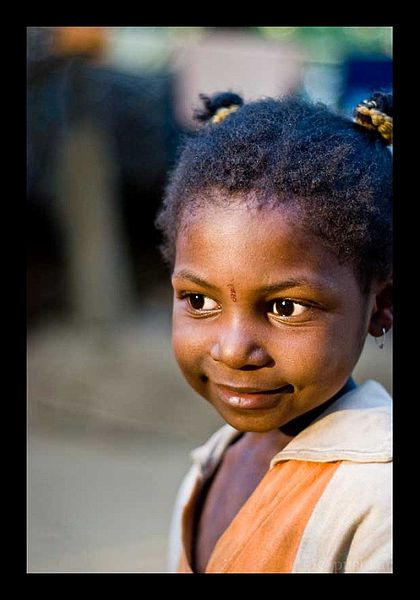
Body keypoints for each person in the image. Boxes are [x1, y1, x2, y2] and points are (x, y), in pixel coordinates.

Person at [155, 90, 393, 573]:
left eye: (286, 307)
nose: (234, 350)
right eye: (199, 301)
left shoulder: (377, 497)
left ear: (381, 304)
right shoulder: (216, 458)